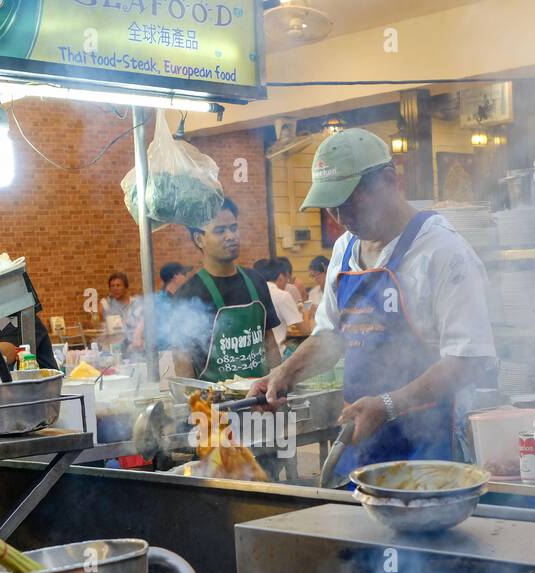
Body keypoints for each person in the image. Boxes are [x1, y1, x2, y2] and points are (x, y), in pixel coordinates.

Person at [249, 129, 496, 477]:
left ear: (389, 180)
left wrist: (388, 405)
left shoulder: (444, 252)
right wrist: (283, 374)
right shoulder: (344, 250)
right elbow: (331, 336)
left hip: (431, 450)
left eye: (349, 202)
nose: (340, 217)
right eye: (332, 207)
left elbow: (468, 359)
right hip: (361, 441)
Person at [169, 198, 283, 382]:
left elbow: (269, 343)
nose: (231, 236)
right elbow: (183, 362)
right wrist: (193, 405)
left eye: (234, 228)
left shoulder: (256, 281)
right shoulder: (188, 296)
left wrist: (278, 386)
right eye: (220, 231)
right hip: (215, 405)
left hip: (262, 400)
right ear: (199, 239)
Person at [254, 258, 307, 348]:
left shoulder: (254, 292)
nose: (286, 284)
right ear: (281, 277)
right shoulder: (282, 295)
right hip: (278, 352)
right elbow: (304, 330)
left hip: (257, 353)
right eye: (287, 279)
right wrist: (306, 312)